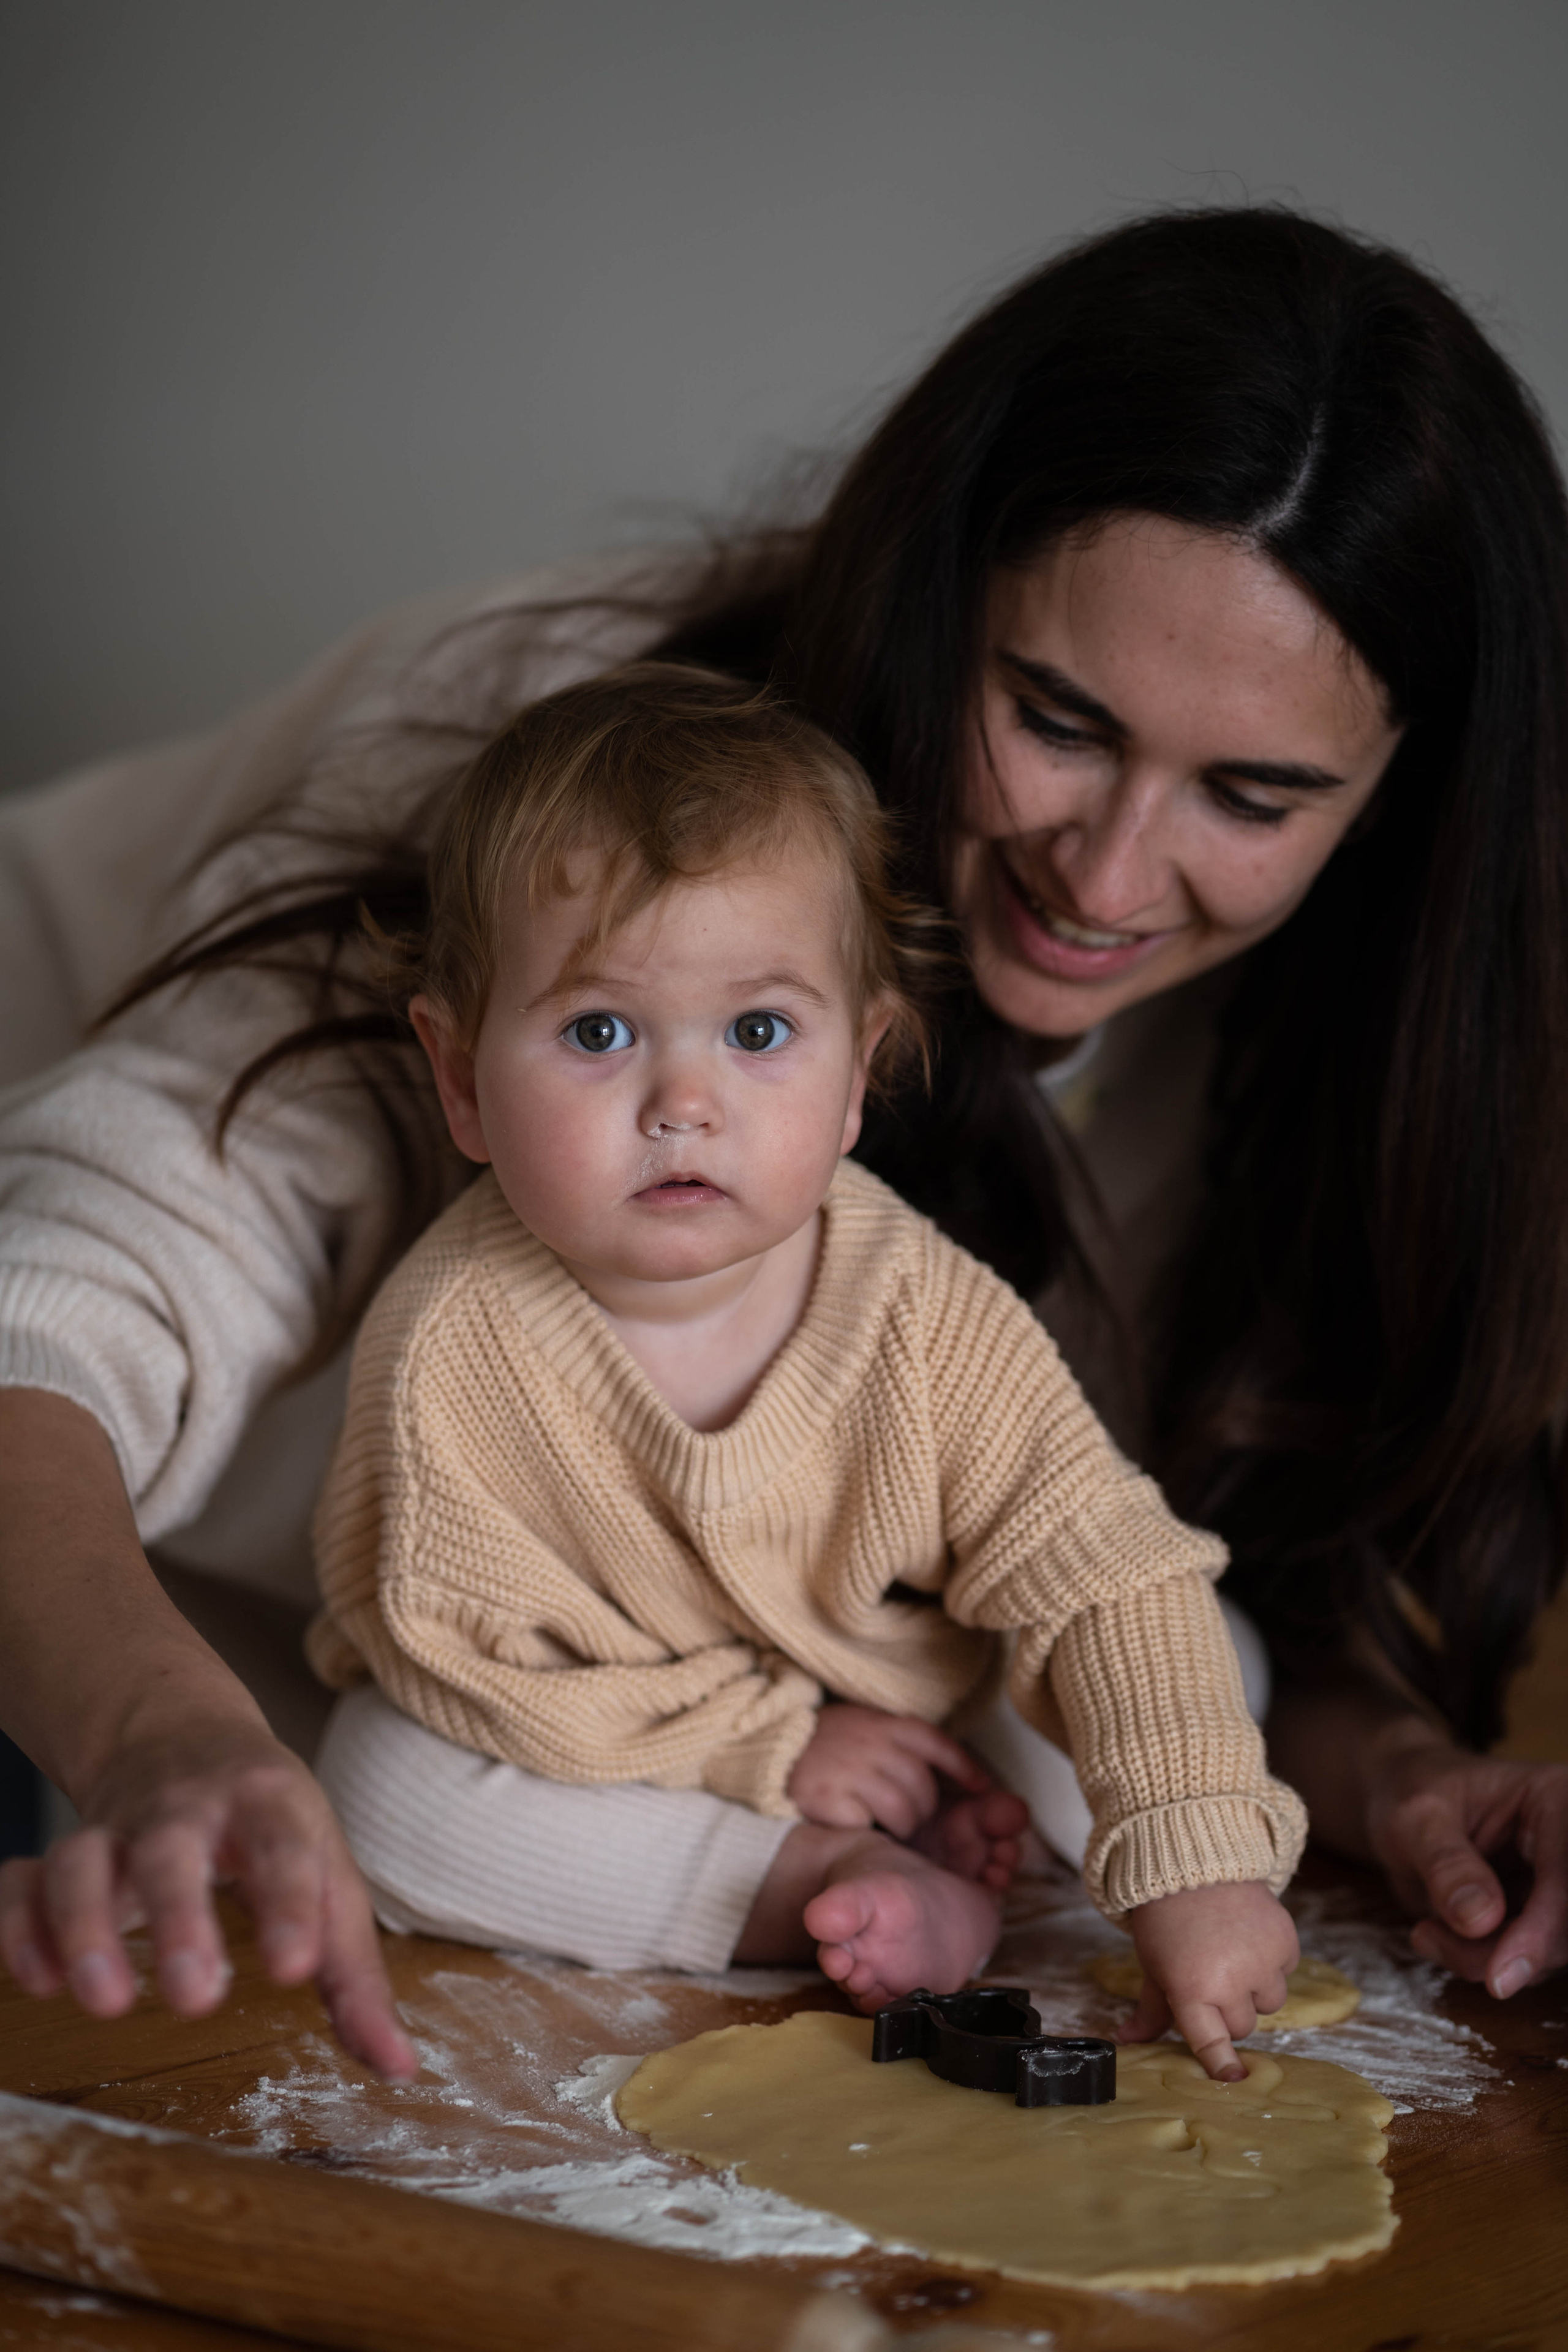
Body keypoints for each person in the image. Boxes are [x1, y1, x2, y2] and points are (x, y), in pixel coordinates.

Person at [1, 207, 1564, 2082]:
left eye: (1254, 794)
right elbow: (62, 1310)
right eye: (1054, 719)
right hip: (97, 1574)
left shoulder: (1320, 1043)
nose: (1110, 872)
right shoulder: (561, 792)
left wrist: (1399, 1783)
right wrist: (153, 1730)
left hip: (749, 1683)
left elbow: (1159, 1568)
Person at [305, 660, 1304, 2078]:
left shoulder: (915, 1307)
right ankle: (815, 1883)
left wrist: (1195, 1856)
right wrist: (778, 1754)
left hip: (925, 1705)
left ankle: (982, 1842)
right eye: (598, 1033)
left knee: (1204, 1655)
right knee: (382, 1788)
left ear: (855, 1076)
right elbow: (468, 1670)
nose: (685, 1102)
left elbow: (1093, 1559)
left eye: (759, 1032)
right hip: (650, 1747)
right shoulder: (454, 1350)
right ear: (461, 1077)